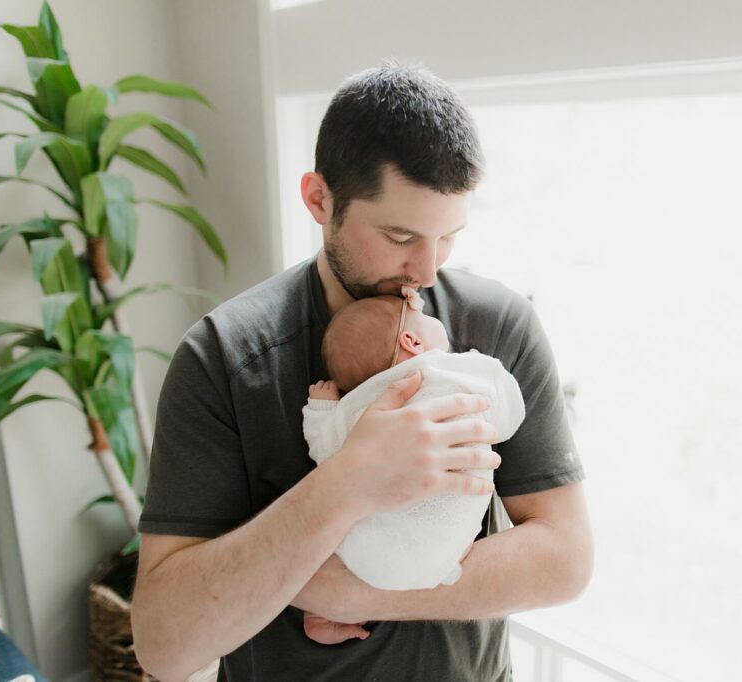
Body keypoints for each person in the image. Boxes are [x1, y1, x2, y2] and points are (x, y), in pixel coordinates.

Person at [131, 60, 592, 681]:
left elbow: (565, 560)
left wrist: (351, 592)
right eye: (400, 236)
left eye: (448, 237)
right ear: (320, 200)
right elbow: (166, 648)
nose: (426, 272)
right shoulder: (223, 359)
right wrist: (349, 482)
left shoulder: (497, 327)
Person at [300, 287, 526, 644]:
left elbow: (322, 448)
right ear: (412, 340)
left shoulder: (356, 406)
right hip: (441, 557)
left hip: (362, 558)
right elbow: (511, 413)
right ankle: (449, 555)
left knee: (331, 529)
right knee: (453, 519)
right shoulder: (455, 373)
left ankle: (318, 612)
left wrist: (321, 407)